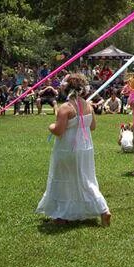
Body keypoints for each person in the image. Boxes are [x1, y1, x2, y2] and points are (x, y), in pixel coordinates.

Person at [36, 86, 111, 227]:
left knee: (63, 178)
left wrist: (50, 126)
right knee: (86, 179)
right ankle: (103, 209)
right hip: (85, 148)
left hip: (67, 148)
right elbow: (93, 126)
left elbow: (58, 130)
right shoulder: (88, 105)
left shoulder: (66, 107)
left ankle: (61, 215)